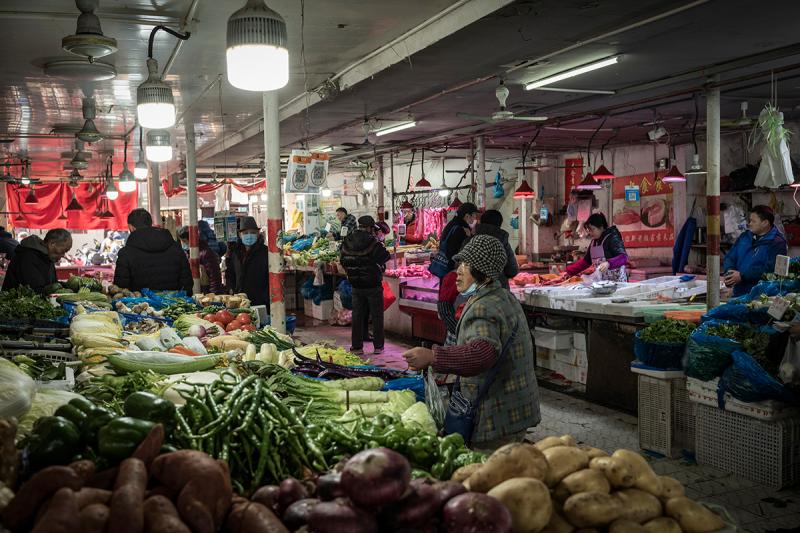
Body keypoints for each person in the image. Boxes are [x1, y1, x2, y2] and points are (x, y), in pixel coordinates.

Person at [403, 235, 540, 450]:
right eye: (460, 263)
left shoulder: (484, 307)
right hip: (515, 408)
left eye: (466, 265)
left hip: (496, 413)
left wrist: (433, 357)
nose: (458, 270)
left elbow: (482, 353)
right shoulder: (503, 297)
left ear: (482, 272)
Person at [340, 215, 390, 355]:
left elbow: (342, 260)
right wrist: (380, 241)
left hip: (356, 285)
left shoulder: (347, 240)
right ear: (369, 228)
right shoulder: (373, 242)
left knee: (357, 315)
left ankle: (357, 347)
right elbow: (384, 256)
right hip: (373, 284)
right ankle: (378, 347)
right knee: (376, 316)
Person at [114, 208, 193, 294]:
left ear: (131, 227)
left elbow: (120, 289)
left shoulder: (126, 253)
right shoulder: (176, 248)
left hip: (139, 306)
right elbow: (187, 283)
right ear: (150, 224)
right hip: (174, 305)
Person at [436, 202, 479, 341]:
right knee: (454, 309)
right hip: (454, 273)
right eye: (474, 216)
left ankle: (449, 338)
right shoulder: (461, 229)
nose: (475, 219)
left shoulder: (451, 225)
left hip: (447, 272)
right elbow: (459, 251)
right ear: (467, 216)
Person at [723, 205, 788, 297]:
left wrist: (742, 276)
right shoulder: (745, 237)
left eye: (753, 221)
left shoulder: (777, 243)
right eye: (750, 220)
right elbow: (730, 257)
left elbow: (772, 271)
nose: (749, 224)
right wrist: (730, 272)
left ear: (765, 223)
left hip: (761, 296)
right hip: (738, 293)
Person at [2, 229, 72, 294]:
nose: (63, 255)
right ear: (52, 244)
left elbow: (51, 284)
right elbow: (33, 291)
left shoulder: (47, 257)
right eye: (63, 250)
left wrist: (68, 285)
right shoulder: (27, 257)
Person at [565, 212, 628, 282]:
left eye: (592, 229)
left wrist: (609, 263)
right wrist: (569, 271)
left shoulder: (612, 237)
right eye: (589, 230)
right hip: (602, 283)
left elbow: (623, 258)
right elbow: (586, 262)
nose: (590, 233)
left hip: (618, 283)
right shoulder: (594, 242)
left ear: (601, 227)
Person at [225, 216, 269, 306]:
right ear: (240, 235)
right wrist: (231, 289)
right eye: (245, 233)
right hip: (239, 301)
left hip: (260, 301)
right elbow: (230, 273)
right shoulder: (234, 253)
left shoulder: (266, 252)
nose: (249, 235)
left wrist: (265, 298)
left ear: (257, 234)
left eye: (253, 232)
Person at [472, 209, 519, 289]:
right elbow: (512, 270)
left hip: (473, 290)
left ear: (481, 221)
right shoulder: (502, 240)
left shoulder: (470, 239)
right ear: (499, 224)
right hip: (498, 290)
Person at [177, 226, 223, 295]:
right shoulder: (189, 253)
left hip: (206, 294)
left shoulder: (206, 253)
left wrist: (214, 295)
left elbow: (214, 276)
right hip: (196, 293)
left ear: (190, 240)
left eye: (184, 241)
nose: (183, 244)